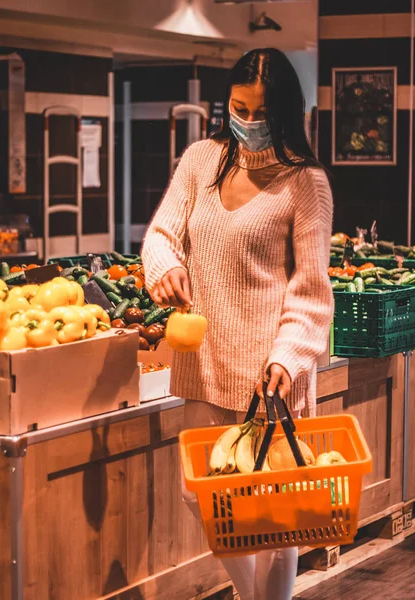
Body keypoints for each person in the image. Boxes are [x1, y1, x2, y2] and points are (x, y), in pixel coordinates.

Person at [142, 48, 334, 600]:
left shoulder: (305, 184)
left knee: (274, 514)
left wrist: (288, 356)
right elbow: (161, 234)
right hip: (204, 361)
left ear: (286, 113)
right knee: (201, 493)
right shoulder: (201, 160)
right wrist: (165, 265)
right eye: (238, 108)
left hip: (270, 371)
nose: (248, 121)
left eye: (260, 112)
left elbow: (311, 289)